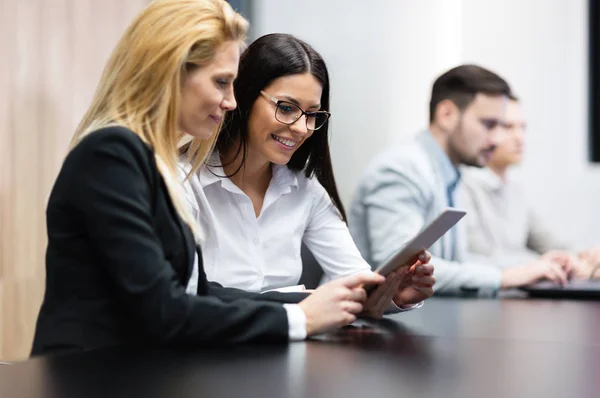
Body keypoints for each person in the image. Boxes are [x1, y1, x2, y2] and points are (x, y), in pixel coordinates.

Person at [30, 0, 387, 357]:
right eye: (221, 82)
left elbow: (198, 292)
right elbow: (163, 311)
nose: (232, 101)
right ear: (170, 71)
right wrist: (300, 318)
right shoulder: (110, 153)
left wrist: (312, 302)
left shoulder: (148, 160)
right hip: (88, 379)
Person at [179, 33, 435, 316]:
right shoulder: (184, 180)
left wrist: (392, 295)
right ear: (243, 96)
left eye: (312, 114)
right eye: (286, 108)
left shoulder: (305, 188)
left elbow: (355, 279)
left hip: (288, 344)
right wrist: (303, 304)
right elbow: (186, 297)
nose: (302, 128)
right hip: (209, 349)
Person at [349, 65, 571, 297]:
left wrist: (531, 266)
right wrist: (504, 277)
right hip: (357, 324)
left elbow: (455, 262)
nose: (497, 139)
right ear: (446, 114)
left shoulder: (450, 173)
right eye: (489, 125)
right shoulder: (403, 169)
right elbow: (402, 268)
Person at [458, 95, 600, 280]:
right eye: (508, 127)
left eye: (522, 127)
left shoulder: (515, 192)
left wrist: (587, 256)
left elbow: (550, 244)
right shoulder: (462, 187)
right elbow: (478, 257)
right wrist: (552, 264)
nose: (519, 137)